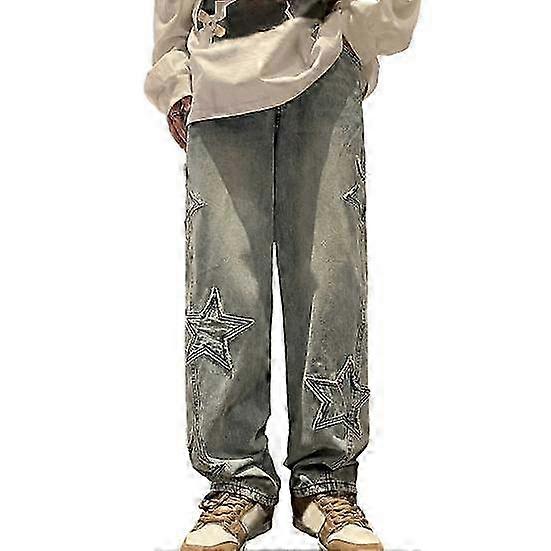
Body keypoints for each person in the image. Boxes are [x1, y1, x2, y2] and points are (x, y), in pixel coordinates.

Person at [145, 1, 420, 550]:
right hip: (217, 70)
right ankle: (235, 483)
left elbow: (390, 26)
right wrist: (173, 70)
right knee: (224, 282)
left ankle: (327, 481)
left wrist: (361, 33)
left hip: (325, 62)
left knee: (331, 276)